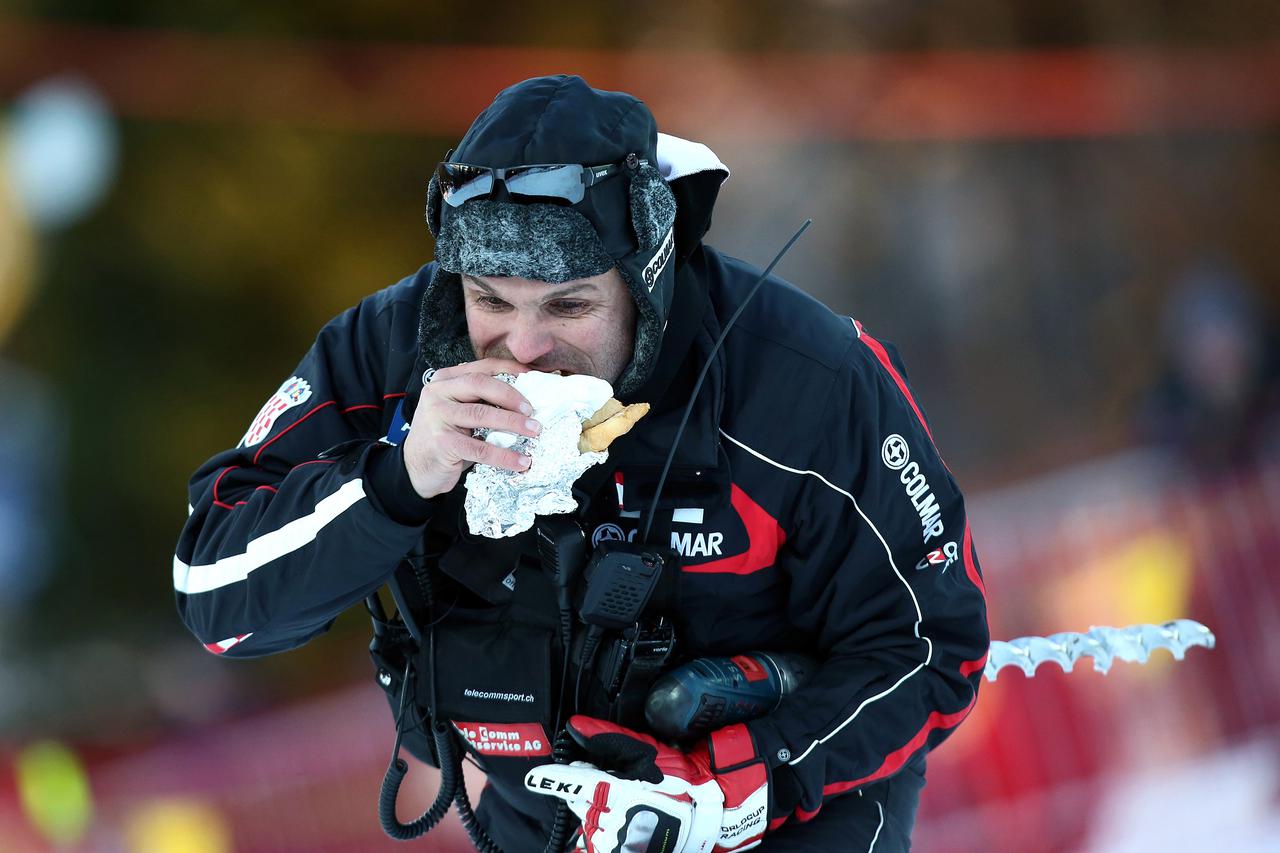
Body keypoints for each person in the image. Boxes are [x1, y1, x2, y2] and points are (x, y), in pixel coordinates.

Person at [173, 75, 989, 852]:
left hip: (790, 802)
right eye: (490, 299)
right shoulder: (391, 352)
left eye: (570, 305)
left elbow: (933, 645)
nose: (526, 347)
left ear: (647, 283)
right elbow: (214, 595)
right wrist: (396, 479)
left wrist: (740, 783)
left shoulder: (807, 380)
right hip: (549, 806)